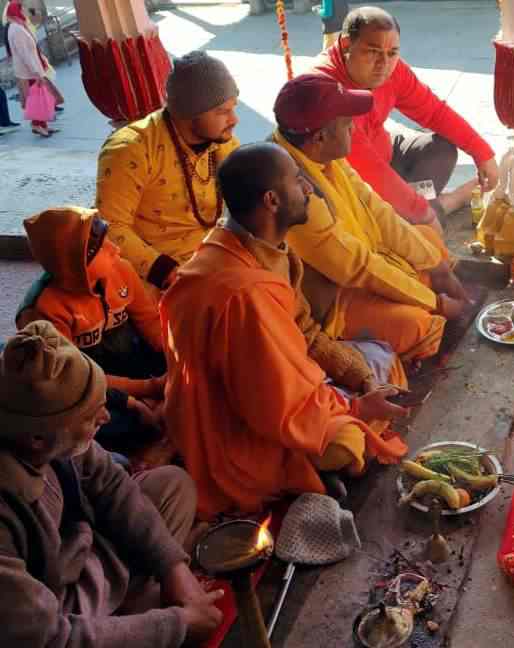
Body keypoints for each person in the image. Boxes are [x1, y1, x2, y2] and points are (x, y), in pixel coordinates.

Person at [160, 142, 410, 520]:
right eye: (298, 181)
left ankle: (329, 449)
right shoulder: (243, 293)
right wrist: (355, 406)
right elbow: (272, 407)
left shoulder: (262, 251)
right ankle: (306, 475)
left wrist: (358, 380)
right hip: (231, 432)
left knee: (379, 365)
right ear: (272, 201)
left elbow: (305, 332)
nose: (308, 189)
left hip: (276, 395)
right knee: (348, 440)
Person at [0, 320, 223, 648]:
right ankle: (132, 616)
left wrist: (173, 566)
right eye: (91, 417)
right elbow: (48, 639)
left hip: (86, 556)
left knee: (173, 487)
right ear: (36, 439)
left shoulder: (44, 424)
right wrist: (177, 625)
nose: (104, 418)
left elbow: (110, 484)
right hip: (50, 608)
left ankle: (137, 609)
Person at [272, 74, 469, 362]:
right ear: (320, 137)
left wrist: (436, 266)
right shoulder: (293, 189)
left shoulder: (323, 152)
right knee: (416, 325)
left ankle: (425, 284)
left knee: (428, 241)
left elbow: (377, 208)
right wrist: (435, 302)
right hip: (338, 297)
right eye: (346, 123)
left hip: (371, 258)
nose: (354, 127)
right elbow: (358, 267)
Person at [313, 6, 499, 228]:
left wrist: (482, 152)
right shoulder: (326, 91)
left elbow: (433, 111)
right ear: (345, 46)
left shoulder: (392, 69)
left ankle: (417, 213)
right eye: (372, 52)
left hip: (385, 152)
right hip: (352, 183)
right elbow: (370, 171)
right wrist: (423, 213)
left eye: (392, 53)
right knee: (393, 223)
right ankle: (449, 202)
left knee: (440, 150)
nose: (383, 65)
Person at [18, 207, 167, 455]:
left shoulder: (121, 269)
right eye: (103, 248)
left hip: (128, 359)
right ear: (76, 265)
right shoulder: (42, 311)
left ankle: (154, 411)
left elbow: (151, 324)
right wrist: (147, 391)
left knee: (196, 362)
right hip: (87, 385)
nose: (115, 249)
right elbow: (73, 380)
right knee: (84, 428)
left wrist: (178, 364)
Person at [95, 50, 240, 293]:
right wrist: (167, 273)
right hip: (157, 274)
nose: (234, 119)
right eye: (222, 111)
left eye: (233, 108)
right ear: (190, 113)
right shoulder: (130, 150)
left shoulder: (223, 142)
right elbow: (111, 227)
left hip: (215, 258)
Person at [6, 1, 63, 137]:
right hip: (30, 71)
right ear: (16, 11)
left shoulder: (19, 25)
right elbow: (25, 54)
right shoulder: (16, 29)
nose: (25, 11)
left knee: (40, 97)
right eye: (22, 9)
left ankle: (42, 125)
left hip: (31, 69)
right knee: (37, 98)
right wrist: (36, 73)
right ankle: (38, 125)